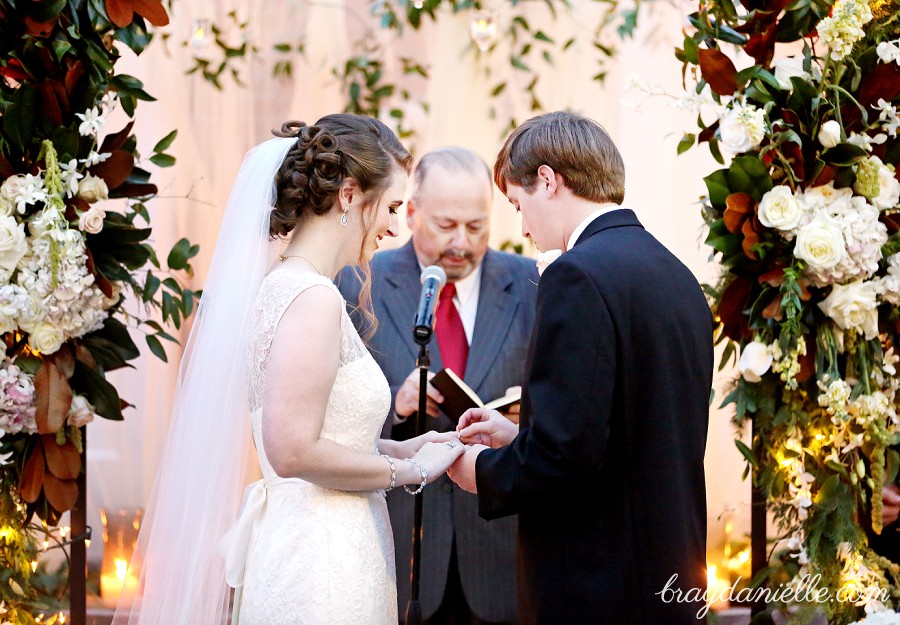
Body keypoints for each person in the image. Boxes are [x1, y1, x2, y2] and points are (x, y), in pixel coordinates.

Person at [113, 114, 465, 625]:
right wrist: (408, 471)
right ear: (348, 195)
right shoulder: (312, 299)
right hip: (320, 562)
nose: (393, 226)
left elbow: (317, 432)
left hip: (322, 542)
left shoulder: (287, 286)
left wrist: (404, 446)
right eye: (390, 206)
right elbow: (292, 449)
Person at [448, 111, 714, 624]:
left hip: (600, 580)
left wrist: (474, 470)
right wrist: (517, 435)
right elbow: (624, 427)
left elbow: (565, 457)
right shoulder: (675, 274)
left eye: (518, 204)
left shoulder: (577, 275)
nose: (522, 226)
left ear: (547, 180)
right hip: (671, 567)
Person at [338, 147, 538, 624]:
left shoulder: (532, 283)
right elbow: (332, 413)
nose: (462, 243)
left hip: (498, 547)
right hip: (402, 542)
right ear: (409, 213)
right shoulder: (358, 282)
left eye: (476, 226)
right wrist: (398, 406)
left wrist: (521, 418)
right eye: (446, 225)